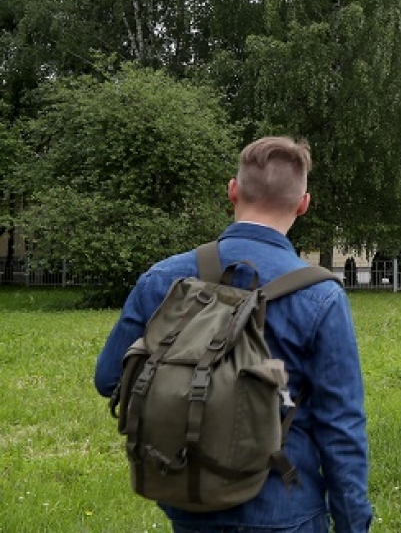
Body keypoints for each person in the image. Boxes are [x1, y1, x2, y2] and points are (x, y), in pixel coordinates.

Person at [94, 136, 373, 533]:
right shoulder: (320, 295)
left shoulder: (163, 279)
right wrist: (353, 525)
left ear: (233, 190)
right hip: (286, 509)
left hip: (188, 499)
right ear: (303, 204)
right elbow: (341, 428)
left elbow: (108, 379)